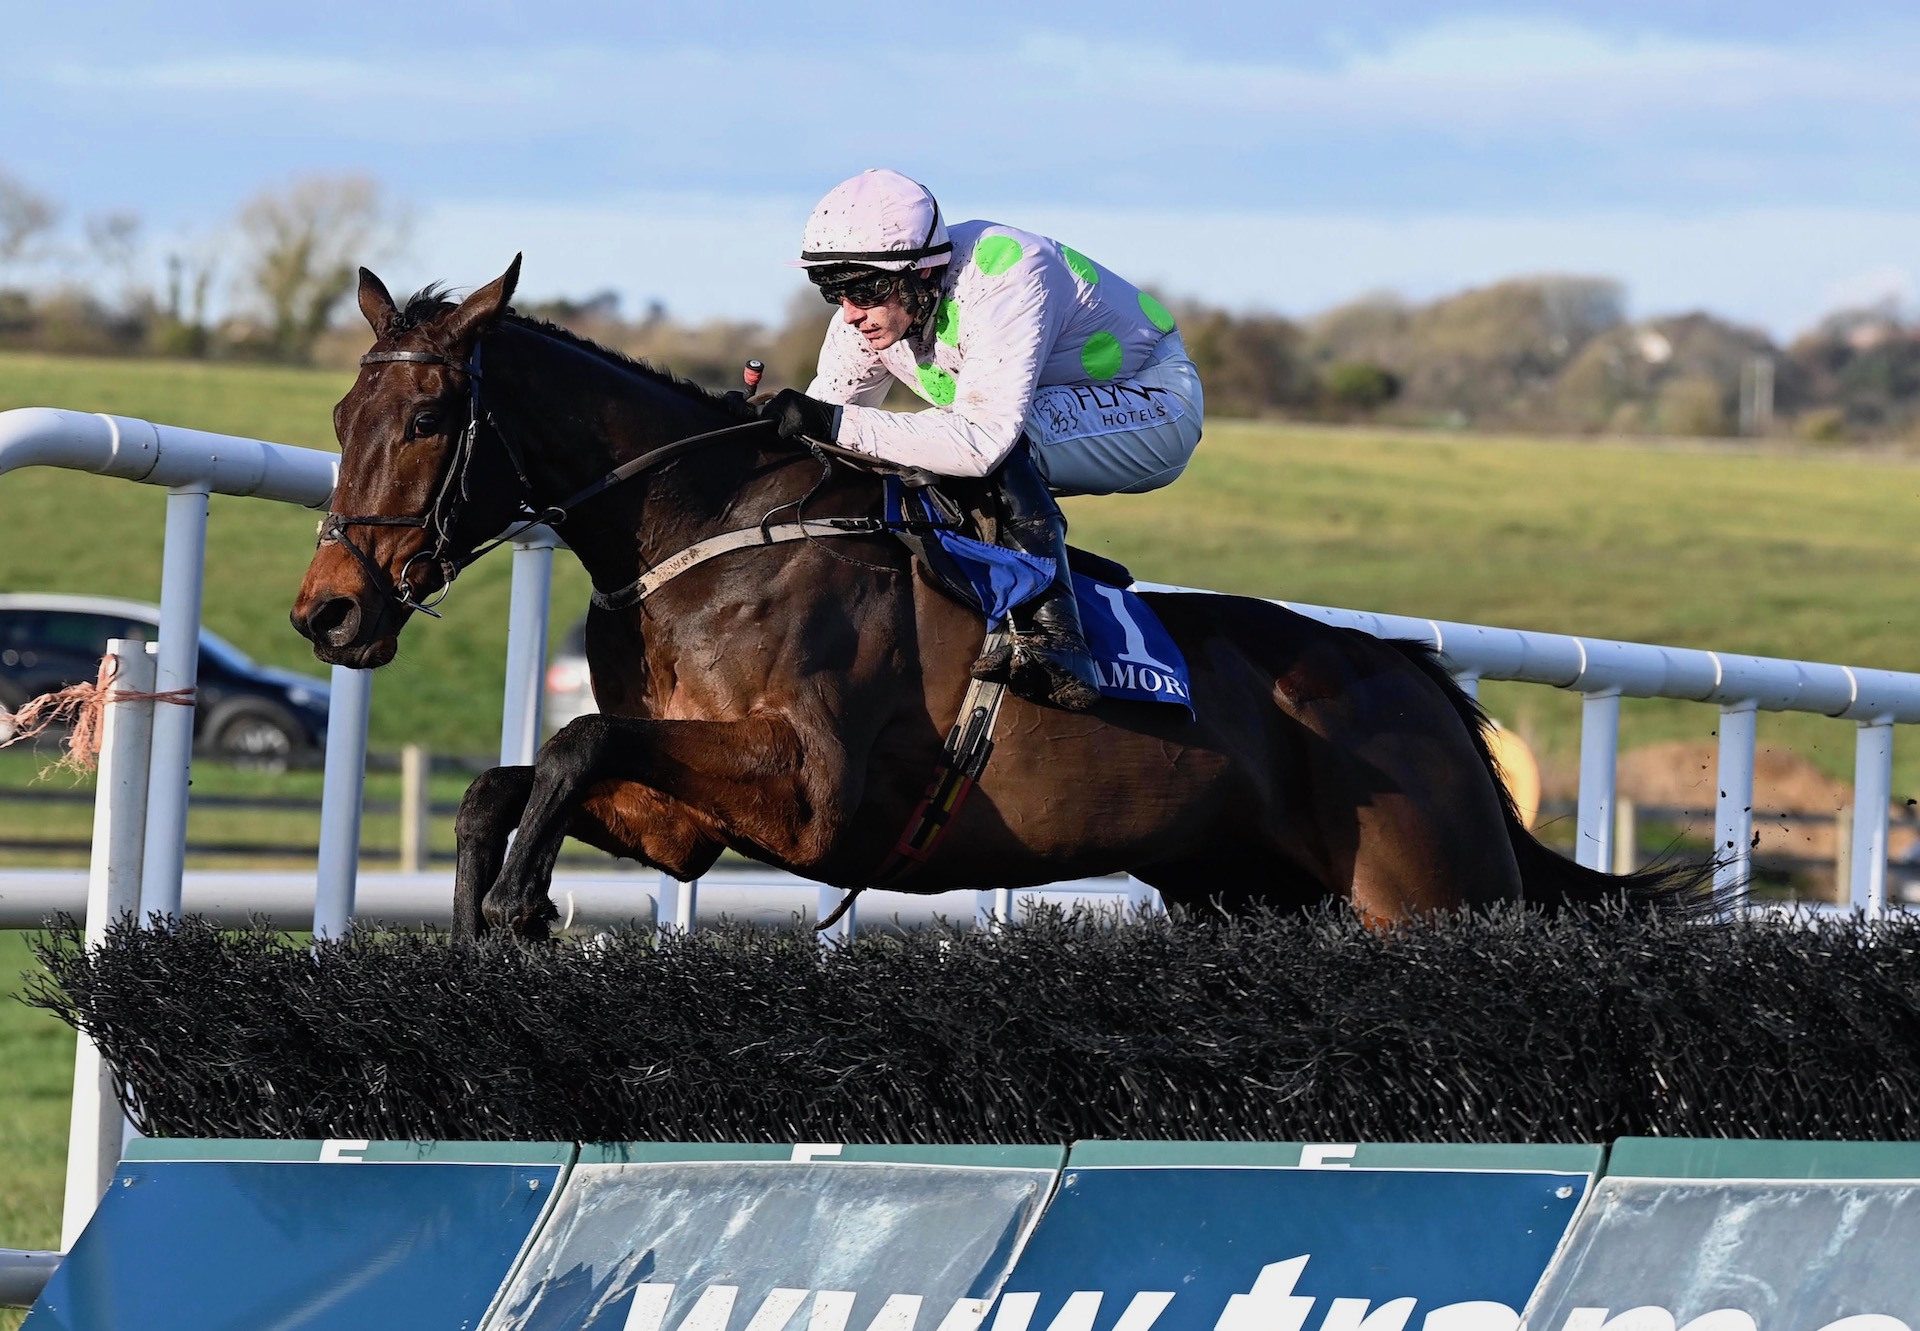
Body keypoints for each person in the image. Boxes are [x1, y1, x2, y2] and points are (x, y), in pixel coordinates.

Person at [758, 168, 1205, 712]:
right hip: (1033, 412)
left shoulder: (1008, 270)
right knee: (900, 452)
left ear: (924, 272)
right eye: (834, 291)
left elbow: (982, 441)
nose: (851, 312)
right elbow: (822, 439)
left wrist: (825, 423)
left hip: (1153, 403)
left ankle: (1055, 639)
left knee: (984, 447)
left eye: (865, 290)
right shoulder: (870, 317)